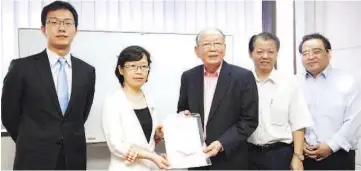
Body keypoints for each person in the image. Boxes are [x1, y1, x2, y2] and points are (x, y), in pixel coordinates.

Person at [1, 1, 95, 170]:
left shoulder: (87, 71)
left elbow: (81, 114)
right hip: (34, 158)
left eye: (67, 23)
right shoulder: (21, 68)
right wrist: (31, 139)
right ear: (43, 29)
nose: (61, 28)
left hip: (73, 159)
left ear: (76, 30)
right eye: (54, 22)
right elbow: (9, 115)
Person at [177, 28, 259, 170]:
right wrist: (183, 117)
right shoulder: (189, 76)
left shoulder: (243, 76)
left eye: (217, 43)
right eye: (207, 44)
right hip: (197, 159)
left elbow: (249, 120)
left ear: (225, 48)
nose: (213, 48)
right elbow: (182, 110)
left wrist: (222, 143)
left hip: (230, 158)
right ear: (197, 51)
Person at [247, 32, 313, 170]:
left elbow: (298, 122)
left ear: (277, 54)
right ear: (250, 53)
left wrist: (297, 156)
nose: (265, 56)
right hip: (247, 153)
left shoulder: (290, 83)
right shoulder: (242, 83)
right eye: (259, 52)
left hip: (279, 154)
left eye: (270, 52)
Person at [298, 33, 361, 170]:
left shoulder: (348, 81)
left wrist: (331, 146)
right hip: (304, 157)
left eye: (316, 52)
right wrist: (299, 143)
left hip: (339, 156)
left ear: (329, 53)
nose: (311, 57)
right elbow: (290, 118)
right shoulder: (295, 83)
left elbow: (355, 120)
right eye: (305, 53)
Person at [102, 45, 169, 171]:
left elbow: (143, 138)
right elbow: (116, 145)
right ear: (121, 69)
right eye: (132, 66)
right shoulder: (113, 101)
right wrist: (152, 157)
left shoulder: (149, 98)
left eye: (144, 66)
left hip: (149, 167)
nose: (139, 71)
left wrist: (156, 135)